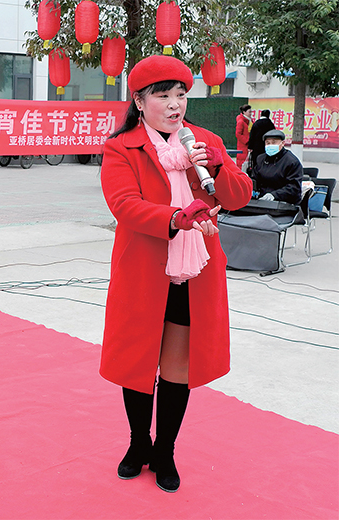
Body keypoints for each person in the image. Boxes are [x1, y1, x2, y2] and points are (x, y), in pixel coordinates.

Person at [99, 55, 252, 493]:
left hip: (194, 272)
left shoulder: (204, 141)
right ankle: (138, 443)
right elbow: (124, 205)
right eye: (162, 95)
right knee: (137, 362)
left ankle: (164, 450)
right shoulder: (121, 147)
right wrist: (176, 217)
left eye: (181, 95)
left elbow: (238, 197)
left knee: (177, 366)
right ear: (139, 101)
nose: (174, 104)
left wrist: (216, 165)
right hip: (144, 270)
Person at [252, 129, 303, 204]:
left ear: (282, 143)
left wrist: (274, 195)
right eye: (268, 143)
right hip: (262, 200)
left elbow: (294, 187)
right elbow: (255, 178)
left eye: (274, 142)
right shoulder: (261, 159)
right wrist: (252, 188)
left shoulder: (291, 161)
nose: (270, 145)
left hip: (284, 202)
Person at [235, 104, 252, 169]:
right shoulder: (241, 122)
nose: (250, 113)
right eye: (249, 112)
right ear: (244, 112)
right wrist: (246, 141)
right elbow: (238, 134)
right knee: (241, 165)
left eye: (251, 112)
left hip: (248, 146)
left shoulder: (249, 121)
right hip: (243, 146)